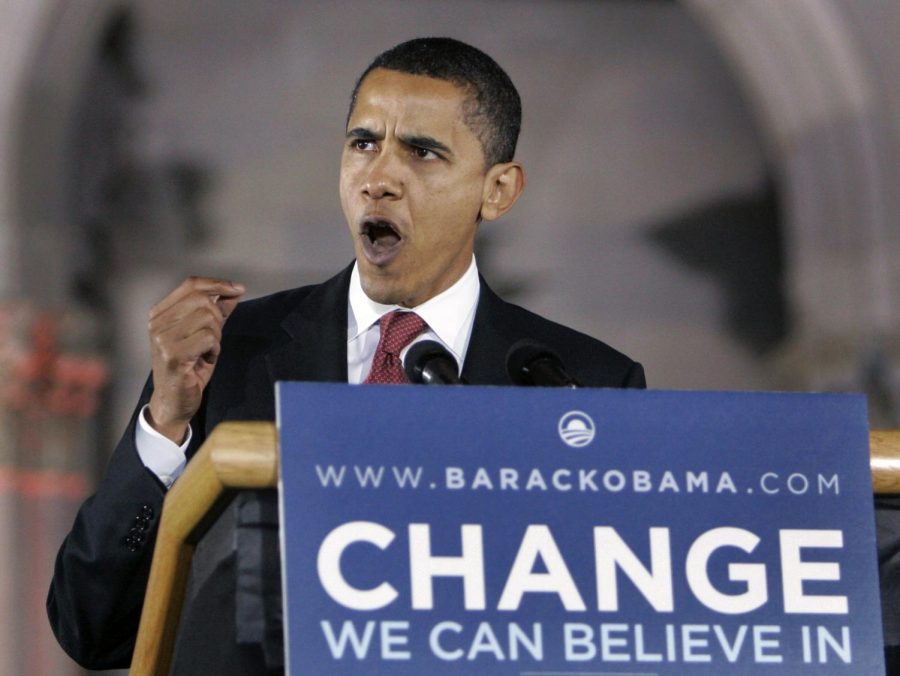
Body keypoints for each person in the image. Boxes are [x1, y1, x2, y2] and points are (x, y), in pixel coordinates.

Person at [47, 37, 644, 674]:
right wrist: (167, 421)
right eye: (363, 143)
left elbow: (614, 631)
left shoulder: (580, 385)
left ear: (496, 190)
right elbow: (94, 626)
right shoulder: (230, 352)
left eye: (421, 151)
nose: (378, 178)